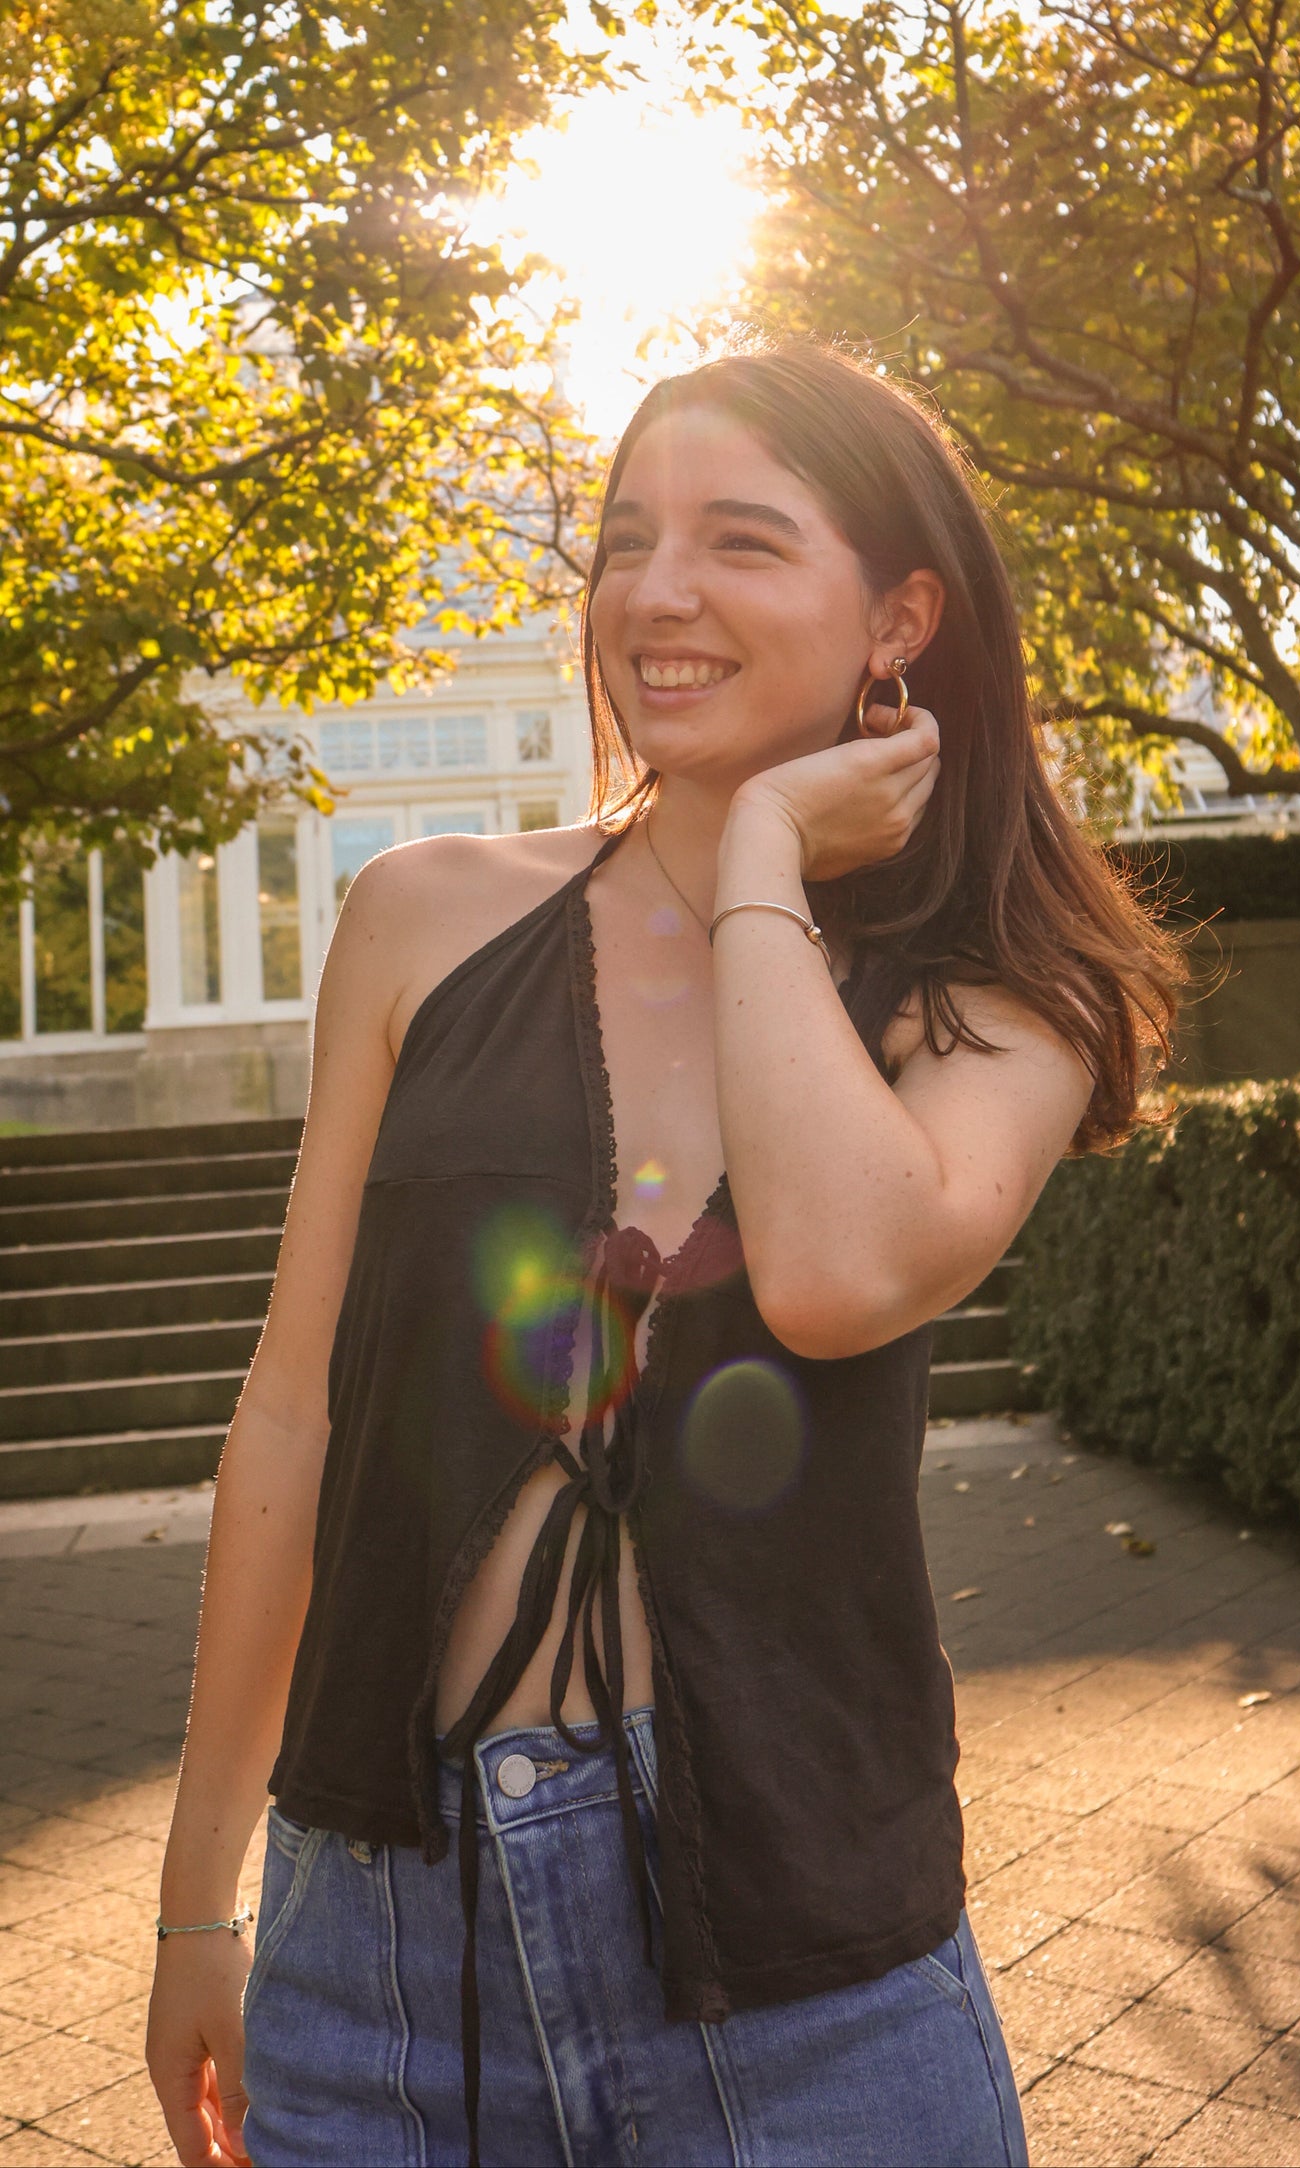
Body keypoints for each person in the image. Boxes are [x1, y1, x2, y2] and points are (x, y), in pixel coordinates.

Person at [146, 338, 1181, 2168]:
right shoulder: (420, 922)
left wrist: (766, 853)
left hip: (802, 1984)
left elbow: (838, 1274)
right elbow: (293, 1423)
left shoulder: (1004, 1000)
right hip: (376, 1950)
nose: (657, 592)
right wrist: (195, 1905)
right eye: (626, 540)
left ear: (900, 616)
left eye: (742, 540)